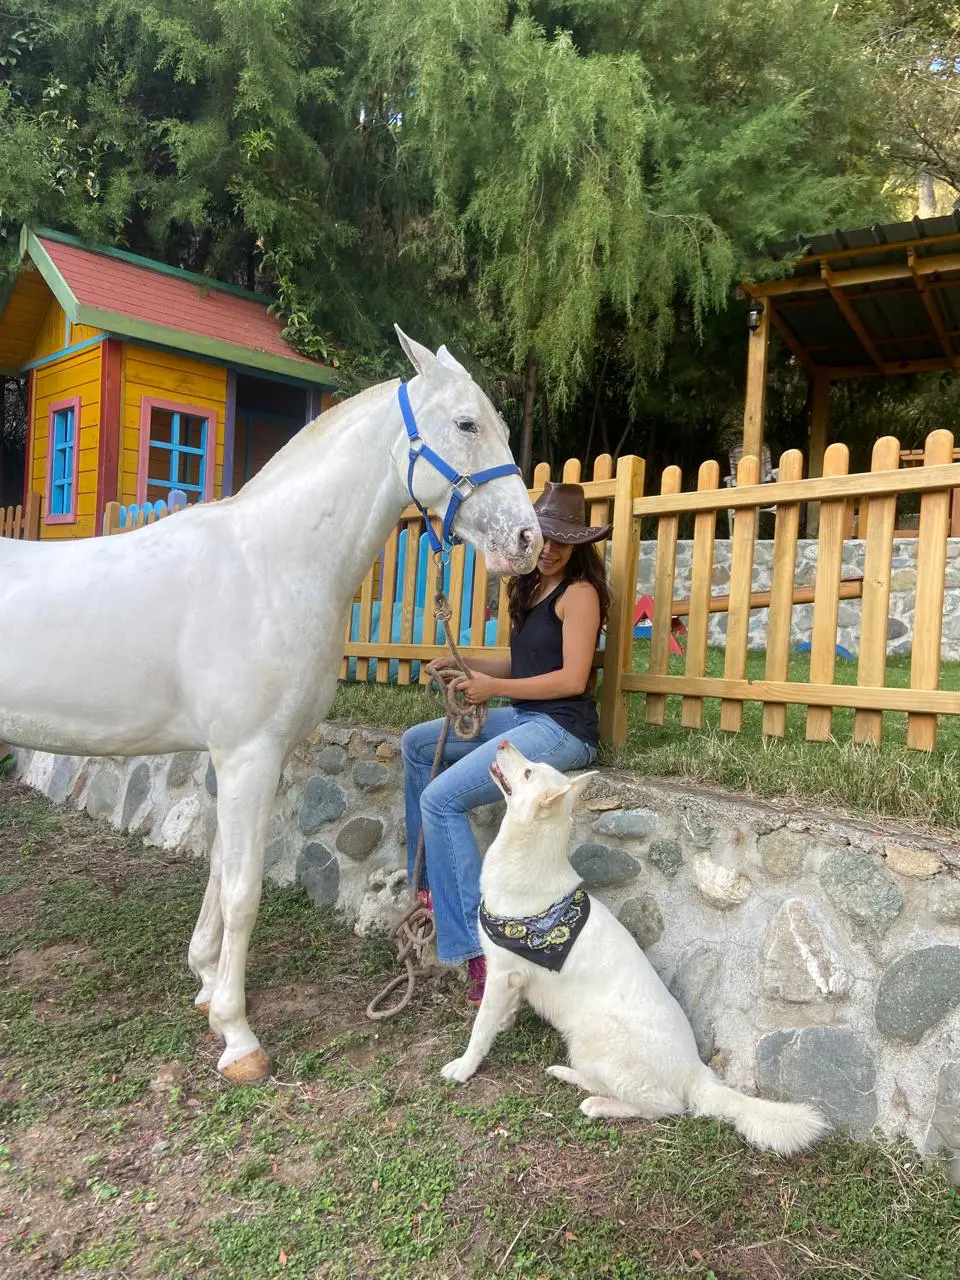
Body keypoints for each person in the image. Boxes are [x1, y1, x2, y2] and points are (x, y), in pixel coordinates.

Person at [401, 481, 612, 1004]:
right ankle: (428, 889)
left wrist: (492, 689)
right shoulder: (533, 589)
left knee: (440, 798)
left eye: (564, 540)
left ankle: (478, 950)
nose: (553, 548)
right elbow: (525, 664)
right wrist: (466, 666)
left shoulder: (580, 594)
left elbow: (570, 680)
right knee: (415, 745)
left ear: (580, 545)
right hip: (525, 716)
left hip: (562, 731)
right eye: (544, 536)